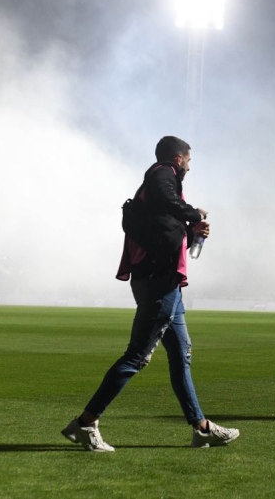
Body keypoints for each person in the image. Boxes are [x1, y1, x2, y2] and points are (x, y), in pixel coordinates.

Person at [61, 136, 239, 452]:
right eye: (188, 159)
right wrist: (194, 214)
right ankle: (86, 423)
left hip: (163, 283)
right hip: (159, 283)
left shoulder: (157, 185)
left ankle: (201, 428)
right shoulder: (162, 174)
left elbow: (164, 228)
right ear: (178, 158)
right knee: (137, 356)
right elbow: (169, 204)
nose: (189, 166)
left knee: (180, 355)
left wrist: (190, 231)